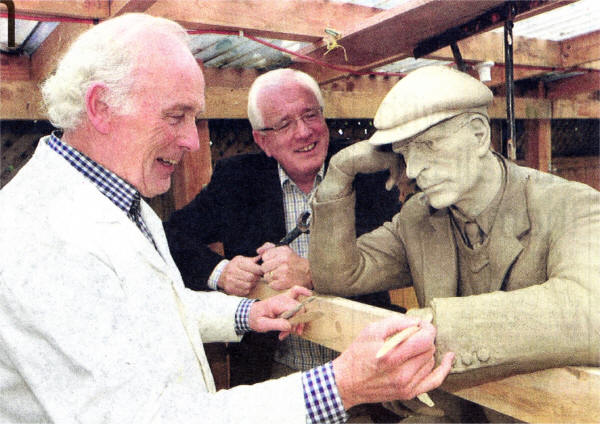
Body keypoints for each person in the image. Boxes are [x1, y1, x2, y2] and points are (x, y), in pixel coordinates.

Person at [0, 14, 453, 423]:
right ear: (101, 107)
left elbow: (152, 309)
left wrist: (246, 313)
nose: (193, 142)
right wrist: (341, 385)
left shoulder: (119, 199)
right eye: (176, 116)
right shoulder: (45, 235)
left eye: (193, 118)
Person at [308, 65, 600, 419]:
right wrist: (339, 173)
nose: (413, 171)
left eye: (428, 146)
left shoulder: (569, 205)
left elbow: (590, 310)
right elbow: (338, 276)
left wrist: (433, 327)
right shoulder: (419, 217)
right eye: (405, 153)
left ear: (479, 135)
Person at [164, 68, 402, 385]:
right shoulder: (236, 180)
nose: (304, 132)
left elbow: (402, 254)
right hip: (274, 374)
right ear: (263, 141)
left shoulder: (368, 174)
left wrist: (315, 271)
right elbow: (170, 236)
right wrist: (221, 272)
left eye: (310, 116)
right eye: (285, 124)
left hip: (365, 366)